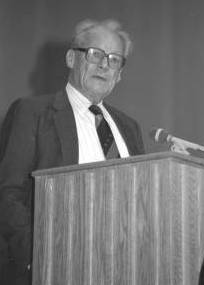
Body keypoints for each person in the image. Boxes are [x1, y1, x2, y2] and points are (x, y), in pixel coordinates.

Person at [0, 19, 145, 285]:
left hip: (125, 268)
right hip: (55, 268)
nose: (104, 65)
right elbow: (8, 193)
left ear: (120, 73)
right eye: (95, 54)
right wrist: (39, 255)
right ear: (71, 58)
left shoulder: (130, 128)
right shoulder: (32, 113)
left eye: (114, 59)